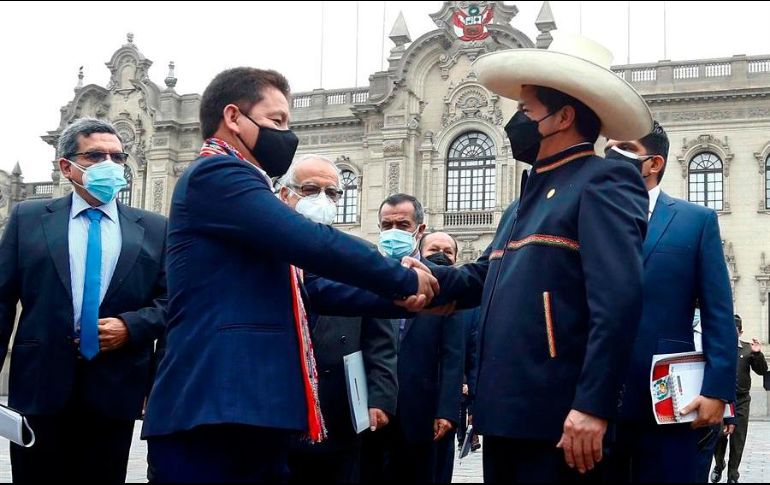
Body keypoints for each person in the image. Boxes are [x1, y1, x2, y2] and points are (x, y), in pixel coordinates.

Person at [140, 68, 438, 483]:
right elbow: (311, 242)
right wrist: (401, 278)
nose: (286, 135)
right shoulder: (218, 174)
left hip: (249, 412)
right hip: (215, 408)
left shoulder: (240, 187)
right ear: (233, 117)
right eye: (277, 121)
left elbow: (309, 285)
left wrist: (408, 298)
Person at [421, 32, 653, 482]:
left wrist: (592, 404)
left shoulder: (602, 182)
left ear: (563, 116)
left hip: (561, 419)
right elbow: (483, 277)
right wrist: (416, 276)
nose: (516, 123)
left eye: (526, 111)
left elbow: (618, 301)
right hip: (505, 415)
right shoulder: (524, 198)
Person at [0, 117, 168, 483]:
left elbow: (172, 301)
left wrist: (131, 326)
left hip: (115, 390)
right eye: (95, 156)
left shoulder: (155, 227)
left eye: (118, 157)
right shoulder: (28, 219)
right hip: (39, 388)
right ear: (67, 166)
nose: (110, 165)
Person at [603, 121, 737, 483]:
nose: (611, 155)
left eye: (625, 148)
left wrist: (717, 391)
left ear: (654, 163)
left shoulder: (695, 221)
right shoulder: (589, 216)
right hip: (595, 398)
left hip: (666, 401)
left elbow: (718, 312)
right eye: (609, 145)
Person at [278, 154, 399, 483]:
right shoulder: (267, 251)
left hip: (341, 404)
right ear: (286, 194)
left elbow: (381, 339)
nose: (323, 200)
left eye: (332, 193)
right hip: (278, 402)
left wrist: (380, 397)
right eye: (311, 189)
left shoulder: (360, 253)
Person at [361, 200, 464, 484]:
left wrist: (447, 410)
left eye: (402, 225)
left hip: (422, 408)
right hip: (371, 409)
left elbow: (453, 353)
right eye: (387, 225)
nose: (393, 231)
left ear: (419, 229)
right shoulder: (366, 272)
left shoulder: (443, 278)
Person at [420, 231, 479, 483]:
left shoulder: (465, 301)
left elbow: (461, 354)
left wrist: (452, 409)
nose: (440, 257)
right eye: (434, 250)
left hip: (440, 407)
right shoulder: (405, 290)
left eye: (447, 252)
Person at [711, 315, 767, 484]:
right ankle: (719, 464)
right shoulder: (718, 347)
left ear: (740, 332)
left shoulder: (747, 349)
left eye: (734, 330)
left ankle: (733, 475)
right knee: (719, 435)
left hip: (741, 400)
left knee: (738, 438)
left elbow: (762, 370)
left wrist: (758, 354)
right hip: (722, 400)